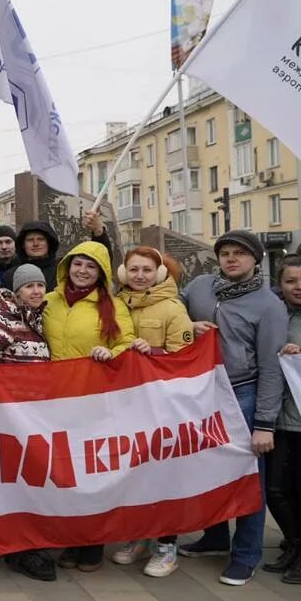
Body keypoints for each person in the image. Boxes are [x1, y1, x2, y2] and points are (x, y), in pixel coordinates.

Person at [178, 230, 287, 586]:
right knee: (210, 470)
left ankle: (245, 555)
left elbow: (272, 366)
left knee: (247, 479)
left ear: (255, 258)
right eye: (225, 252)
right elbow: (168, 310)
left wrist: (265, 423)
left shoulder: (269, 305)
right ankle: (214, 537)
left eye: (240, 253)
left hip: (243, 394)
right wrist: (187, 325)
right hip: (202, 394)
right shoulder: (200, 287)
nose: (231, 258)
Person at [42, 241, 135, 572]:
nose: (82, 271)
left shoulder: (111, 305)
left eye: (91, 266)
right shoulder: (49, 301)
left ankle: (92, 544)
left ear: (101, 273)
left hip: (95, 402)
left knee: (92, 476)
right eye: (78, 263)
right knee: (65, 476)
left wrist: (111, 353)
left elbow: (127, 343)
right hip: (55, 402)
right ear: (68, 265)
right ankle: (72, 539)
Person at [110, 246, 194, 577]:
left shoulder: (173, 309)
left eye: (146, 269)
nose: (140, 275)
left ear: (159, 273)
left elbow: (186, 359)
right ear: (123, 273)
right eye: (134, 269)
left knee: (164, 479)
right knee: (133, 476)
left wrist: (154, 351)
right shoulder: (117, 305)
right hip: (129, 406)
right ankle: (137, 537)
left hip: (163, 408)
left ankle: (166, 546)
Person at [0, 265, 53, 581]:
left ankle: (27, 546)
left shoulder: (41, 320)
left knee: (34, 483)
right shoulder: (3, 320)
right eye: (29, 286)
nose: (35, 291)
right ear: (17, 292)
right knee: (18, 486)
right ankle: (21, 550)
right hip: (11, 421)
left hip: (36, 418)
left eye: (40, 286)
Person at [265, 255, 301, 584]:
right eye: (290, 281)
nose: (298, 287)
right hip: (280, 417)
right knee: (275, 489)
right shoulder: (276, 314)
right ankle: (294, 542)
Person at [2, 214, 112, 291]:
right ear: (22, 245)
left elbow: (100, 260)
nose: (35, 244)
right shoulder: (11, 275)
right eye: (30, 240)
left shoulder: (64, 268)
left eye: (40, 239)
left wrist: (98, 232)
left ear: (49, 243)